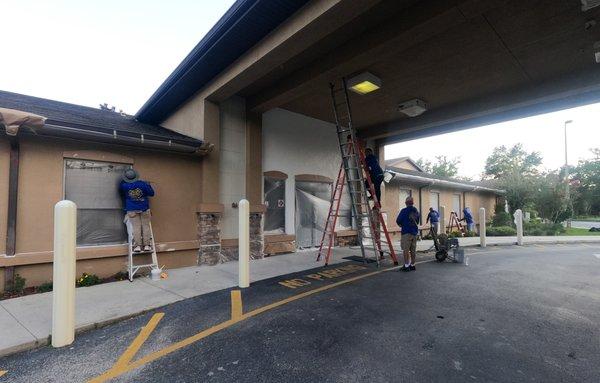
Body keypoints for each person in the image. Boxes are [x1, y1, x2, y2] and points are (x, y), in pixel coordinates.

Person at [120, 169, 155, 252]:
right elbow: (152, 193)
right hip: (144, 208)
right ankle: (147, 245)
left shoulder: (123, 185)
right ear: (136, 176)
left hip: (131, 209)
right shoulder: (142, 184)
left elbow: (121, 192)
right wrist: (148, 185)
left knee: (136, 227)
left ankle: (137, 246)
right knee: (145, 227)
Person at [396, 196, 420, 272]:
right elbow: (417, 221)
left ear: (406, 203)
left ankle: (406, 266)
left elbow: (398, 220)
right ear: (412, 203)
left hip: (406, 233)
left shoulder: (404, 211)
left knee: (406, 250)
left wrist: (402, 225)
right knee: (413, 250)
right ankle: (412, 265)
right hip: (414, 233)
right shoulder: (416, 211)